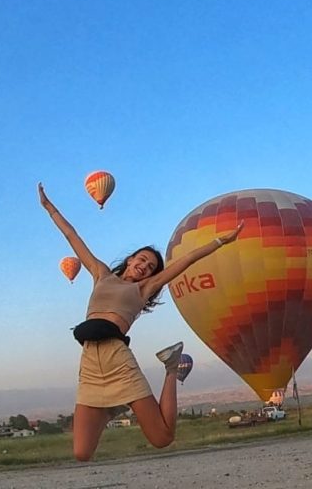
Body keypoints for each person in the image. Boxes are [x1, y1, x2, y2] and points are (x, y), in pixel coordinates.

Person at [38, 183, 243, 461]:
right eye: (142, 260)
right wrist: (50, 208)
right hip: (88, 364)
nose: (144, 267)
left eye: (149, 268)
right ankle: (112, 408)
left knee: (162, 438)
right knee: (82, 453)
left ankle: (172, 369)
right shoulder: (101, 274)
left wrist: (221, 241)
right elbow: (73, 237)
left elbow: (186, 261)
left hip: (117, 360)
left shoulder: (142, 290)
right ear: (131, 258)